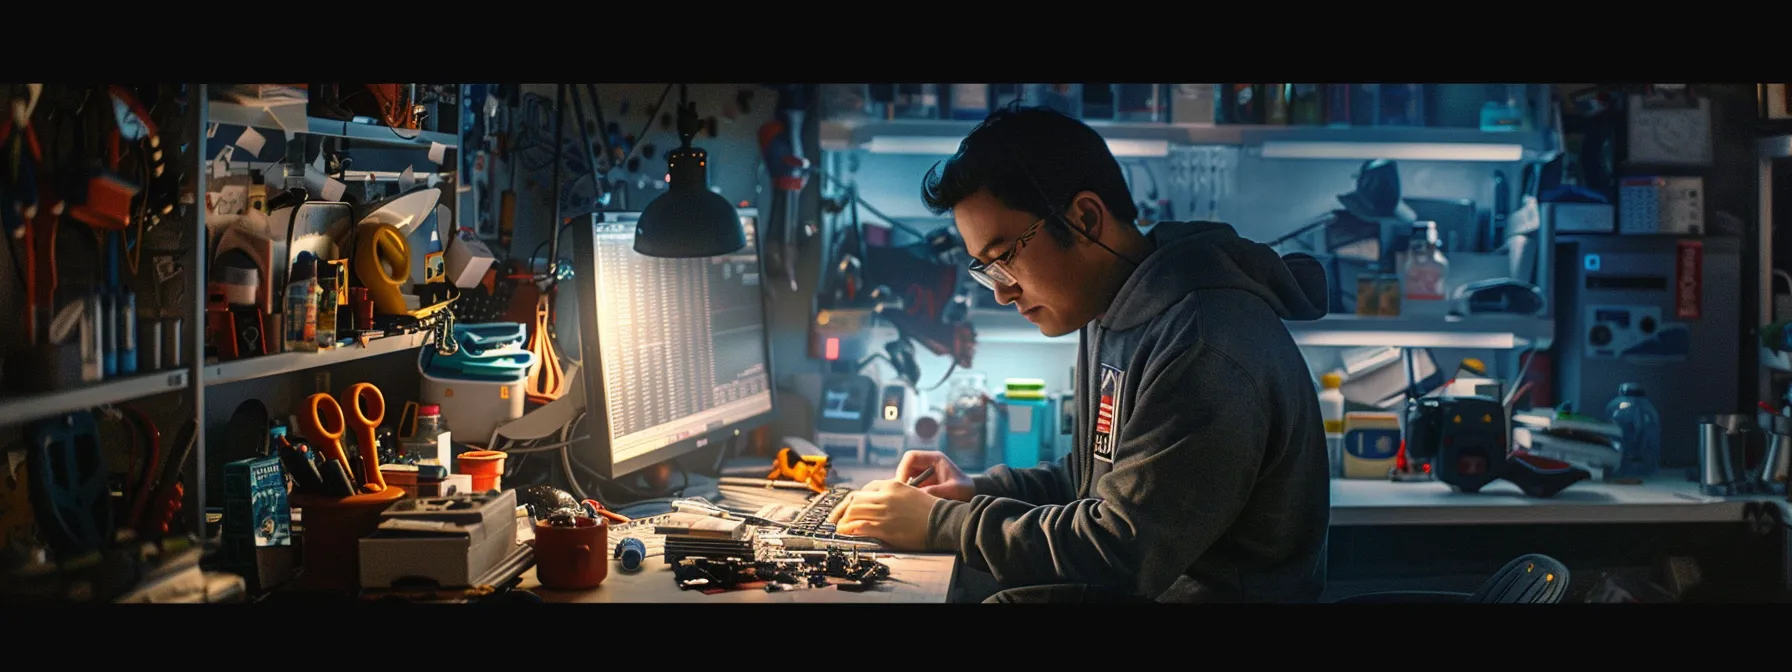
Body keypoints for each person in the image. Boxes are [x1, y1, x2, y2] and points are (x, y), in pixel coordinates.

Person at [827, 105, 1333, 603]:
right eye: (986, 269)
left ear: (1085, 219)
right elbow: (1092, 481)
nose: (1001, 292)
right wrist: (973, 490)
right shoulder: (1114, 307)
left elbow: (1121, 549)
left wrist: (943, 524)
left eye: (1003, 257)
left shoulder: (1203, 343)